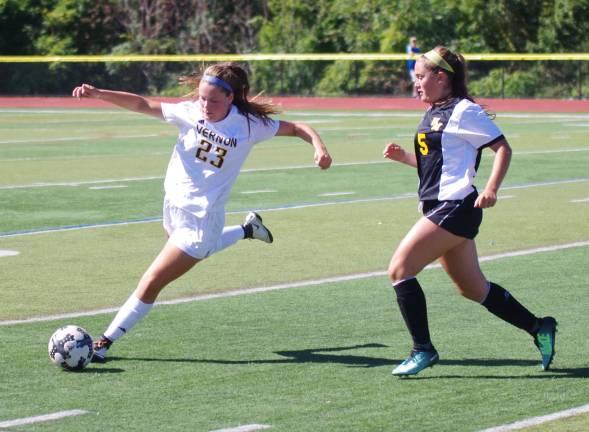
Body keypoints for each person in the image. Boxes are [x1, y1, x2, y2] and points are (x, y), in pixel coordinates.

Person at [72, 62, 332, 362]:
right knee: (198, 253)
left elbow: (299, 128)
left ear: (231, 98)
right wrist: (99, 93)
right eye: (202, 98)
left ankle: (104, 343)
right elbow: (143, 103)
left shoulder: (248, 126)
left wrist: (319, 147)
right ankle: (248, 229)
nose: (206, 105)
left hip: (201, 220)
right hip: (173, 206)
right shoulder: (190, 110)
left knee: (152, 281)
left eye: (214, 100)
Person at [383, 46, 556, 376]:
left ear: (441, 77)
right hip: (442, 206)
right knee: (473, 289)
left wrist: (491, 188)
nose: (415, 83)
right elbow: (437, 164)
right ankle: (539, 327)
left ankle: (423, 350)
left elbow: (502, 148)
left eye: (420, 77)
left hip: (456, 206)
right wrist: (405, 156)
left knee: (400, 269)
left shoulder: (464, 110)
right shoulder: (435, 110)